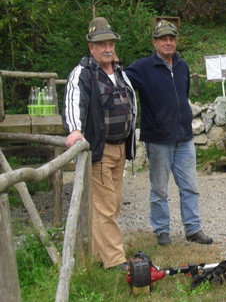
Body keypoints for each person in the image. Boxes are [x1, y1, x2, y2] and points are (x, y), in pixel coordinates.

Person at [125, 20, 213, 245]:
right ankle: (162, 230)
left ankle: (193, 229)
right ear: (154, 42)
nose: (168, 42)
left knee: (190, 187)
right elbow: (120, 83)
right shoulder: (142, 67)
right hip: (158, 139)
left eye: (172, 38)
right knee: (159, 190)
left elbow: (182, 97)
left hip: (184, 137)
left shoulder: (182, 66)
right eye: (163, 38)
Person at [62, 17, 137, 271]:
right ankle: (115, 260)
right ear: (91, 47)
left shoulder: (118, 71)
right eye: (101, 44)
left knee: (111, 204)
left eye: (111, 44)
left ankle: (97, 253)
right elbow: (74, 101)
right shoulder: (82, 72)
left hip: (120, 148)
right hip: (100, 149)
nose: (108, 48)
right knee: (105, 207)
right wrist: (74, 130)